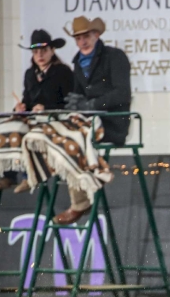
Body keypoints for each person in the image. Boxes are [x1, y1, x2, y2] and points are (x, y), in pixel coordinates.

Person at [54, 16, 131, 225]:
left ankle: (83, 196)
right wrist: (77, 102)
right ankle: (78, 190)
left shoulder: (114, 57)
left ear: (95, 35)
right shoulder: (78, 64)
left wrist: (91, 105)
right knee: (59, 132)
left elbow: (122, 94)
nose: (83, 42)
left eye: (86, 36)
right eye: (78, 38)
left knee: (74, 136)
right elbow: (80, 96)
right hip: (89, 122)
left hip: (112, 122)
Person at [0, 29, 74, 193]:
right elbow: (27, 100)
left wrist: (46, 109)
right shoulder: (30, 74)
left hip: (55, 120)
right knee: (6, 128)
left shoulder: (63, 72)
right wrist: (21, 107)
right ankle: (7, 175)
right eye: (36, 51)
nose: (40, 55)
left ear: (52, 51)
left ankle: (28, 176)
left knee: (27, 133)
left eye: (44, 50)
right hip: (33, 119)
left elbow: (70, 102)